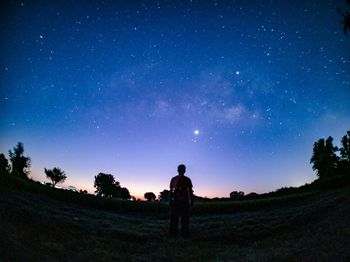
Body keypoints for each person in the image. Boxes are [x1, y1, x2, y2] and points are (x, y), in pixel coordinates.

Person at [169, 164, 194, 237]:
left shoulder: (175, 179)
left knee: (182, 219)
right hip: (179, 202)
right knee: (179, 219)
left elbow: (190, 192)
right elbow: (171, 192)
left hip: (181, 202)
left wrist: (191, 203)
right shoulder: (177, 179)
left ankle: (180, 234)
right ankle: (178, 234)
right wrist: (191, 203)